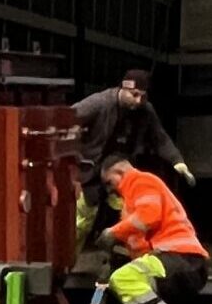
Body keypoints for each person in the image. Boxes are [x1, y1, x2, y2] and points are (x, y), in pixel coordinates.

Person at [98, 154, 212, 304]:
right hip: (179, 264)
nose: (109, 189)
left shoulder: (140, 181)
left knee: (123, 279)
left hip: (181, 258)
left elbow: (149, 216)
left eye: (109, 182)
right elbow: (141, 238)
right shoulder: (131, 202)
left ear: (121, 173)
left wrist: (113, 233)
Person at [74, 69, 195, 247]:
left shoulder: (145, 110)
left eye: (143, 96)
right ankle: (65, 265)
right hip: (90, 172)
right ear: (123, 88)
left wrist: (177, 161)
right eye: (135, 95)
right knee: (82, 222)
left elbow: (159, 137)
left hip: (120, 174)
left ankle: (121, 261)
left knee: (130, 219)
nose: (139, 101)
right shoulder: (99, 103)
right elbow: (67, 117)